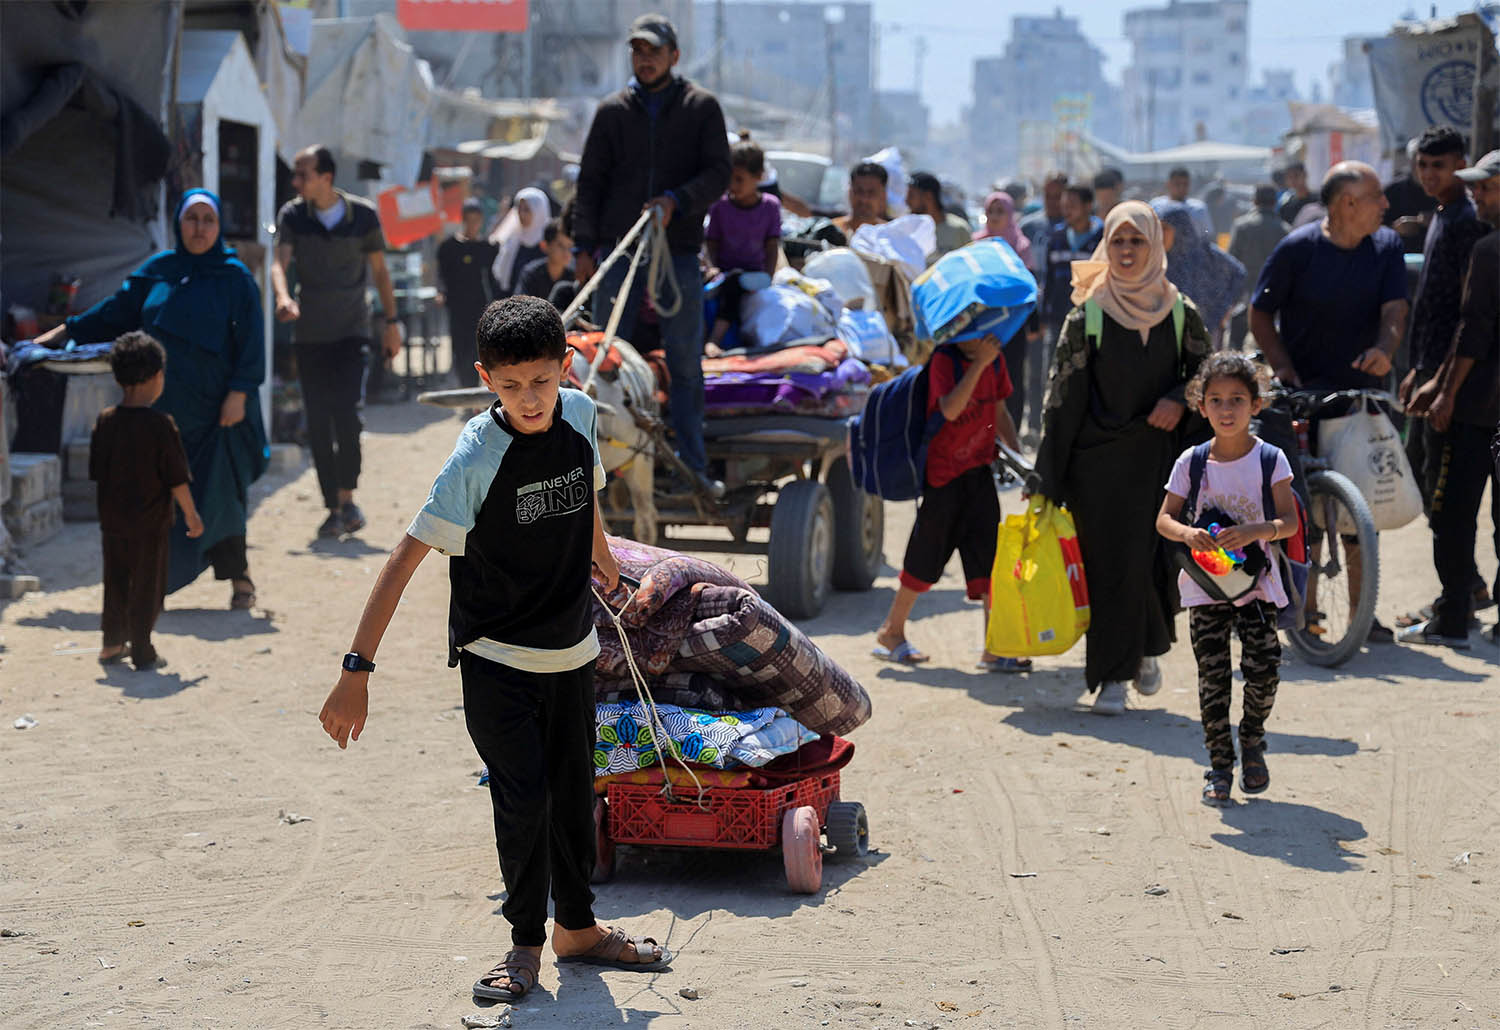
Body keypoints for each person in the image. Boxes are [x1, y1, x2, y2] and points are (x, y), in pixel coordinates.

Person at [317, 296, 671, 1004]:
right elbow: (402, 560)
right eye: (510, 387)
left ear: (564, 368)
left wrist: (603, 560)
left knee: (576, 798)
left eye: (540, 381)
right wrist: (355, 672)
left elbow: (586, 498)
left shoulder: (579, 416)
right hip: (497, 661)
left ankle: (577, 928)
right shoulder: (474, 459)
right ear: (486, 379)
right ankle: (523, 945)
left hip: (571, 652)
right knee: (524, 798)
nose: (529, 399)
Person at [49, 189, 267, 606]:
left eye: (208, 219)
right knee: (159, 492)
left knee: (221, 491)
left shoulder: (235, 277)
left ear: (219, 226)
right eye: (191, 218)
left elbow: (252, 342)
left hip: (216, 409)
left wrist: (239, 393)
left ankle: (240, 578)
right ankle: (154, 583)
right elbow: (114, 312)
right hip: (162, 411)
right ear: (177, 223)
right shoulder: (158, 270)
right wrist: (66, 331)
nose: (199, 228)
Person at [1034, 201, 1210, 715]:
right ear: (1105, 247)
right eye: (1118, 242)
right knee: (1110, 565)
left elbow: (1209, 376)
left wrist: (1179, 398)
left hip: (1160, 464)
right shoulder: (1086, 316)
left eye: (1137, 241)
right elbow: (1060, 400)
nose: (1128, 252)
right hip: (1098, 468)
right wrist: (1049, 474)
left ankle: (1145, 648)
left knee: (1152, 563)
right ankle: (1114, 677)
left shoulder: (1181, 313)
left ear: (1156, 245)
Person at [572, 12, 730, 496]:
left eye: (653, 51)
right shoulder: (612, 111)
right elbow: (590, 183)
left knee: (684, 362)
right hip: (618, 250)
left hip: (676, 250)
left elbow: (718, 173)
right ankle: (595, 464)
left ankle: (693, 463)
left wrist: (677, 200)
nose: (644, 59)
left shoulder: (700, 107)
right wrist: (583, 247)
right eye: (638, 51)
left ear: (674, 56)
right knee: (603, 358)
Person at [1251, 160, 1409, 642]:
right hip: (1302, 397)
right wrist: (1281, 367)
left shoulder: (1386, 247)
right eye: (1377, 196)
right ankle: (1306, 614)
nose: (1386, 205)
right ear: (1347, 204)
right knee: (1306, 512)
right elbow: (1261, 314)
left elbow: (1394, 310)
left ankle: (1365, 615)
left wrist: (1385, 349)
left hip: (1361, 397)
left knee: (1362, 513)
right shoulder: (1298, 249)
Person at [1156, 352, 1296, 804]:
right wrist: (1188, 533)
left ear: (1256, 405)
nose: (1227, 409)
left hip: (1255, 585)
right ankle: (1219, 765)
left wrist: (1259, 530)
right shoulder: (1191, 462)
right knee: (1212, 677)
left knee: (1264, 669)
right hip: (1206, 586)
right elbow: (1164, 520)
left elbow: (1290, 522)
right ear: (1201, 406)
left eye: (1237, 399)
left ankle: (1252, 739)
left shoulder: (1270, 459)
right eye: (1216, 400)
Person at [872, 333, 1024, 671]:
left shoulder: (996, 359)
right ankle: (891, 632)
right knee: (925, 557)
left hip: (979, 470)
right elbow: (951, 410)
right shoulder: (945, 360)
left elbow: (1000, 414)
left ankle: (994, 647)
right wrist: (980, 363)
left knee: (989, 558)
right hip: (944, 475)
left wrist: (1020, 462)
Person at [272, 144, 402, 539]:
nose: (295, 182)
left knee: (346, 414)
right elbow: (280, 263)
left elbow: (380, 273)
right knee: (317, 422)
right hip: (310, 335)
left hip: (352, 331)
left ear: (326, 177)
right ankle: (334, 506)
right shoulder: (294, 215)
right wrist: (283, 296)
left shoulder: (362, 215)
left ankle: (347, 497)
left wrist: (392, 322)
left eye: (302, 174)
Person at [1400, 149, 1500, 647]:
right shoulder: (1467, 232)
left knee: (1452, 514)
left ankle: (1454, 615)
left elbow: (1473, 332)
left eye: (1486, 187)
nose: (1476, 194)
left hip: (1477, 409)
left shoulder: (1488, 250)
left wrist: (1444, 391)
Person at [90, 332, 203, 670]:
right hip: (150, 524)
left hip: (112, 522)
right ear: (157, 377)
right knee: (147, 586)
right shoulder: (160, 425)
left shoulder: (105, 421)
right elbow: (176, 479)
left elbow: (96, 471)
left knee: (115, 580)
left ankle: (111, 643)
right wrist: (192, 516)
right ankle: (142, 649)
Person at [1397, 127, 1490, 512]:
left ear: (1461, 166)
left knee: (1444, 498)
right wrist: (1417, 369)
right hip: (1429, 369)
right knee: (1421, 474)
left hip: (1454, 377)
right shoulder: (1441, 214)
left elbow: (1468, 314)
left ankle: (1462, 573)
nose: (1429, 174)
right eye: (1423, 165)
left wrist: (1440, 382)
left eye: (1439, 166)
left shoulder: (1465, 220)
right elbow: (1432, 305)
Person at [703, 138, 782, 353]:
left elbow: (771, 245)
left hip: (753, 274)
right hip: (723, 273)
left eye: (739, 179)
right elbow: (711, 243)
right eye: (730, 179)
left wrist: (768, 276)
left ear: (758, 177)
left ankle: (715, 339)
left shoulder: (770, 207)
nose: (733, 185)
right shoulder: (720, 206)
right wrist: (712, 268)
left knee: (736, 282)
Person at [973, 190, 1038, 430]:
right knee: (981, 375)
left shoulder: (1021, 246)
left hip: (1014, 323)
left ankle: (1011, 432)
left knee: (1011, 378)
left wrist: (1033, 322)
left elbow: (1030, 286)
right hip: (983, 323)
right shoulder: (977, 244)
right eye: (991, 210)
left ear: (1010, 214)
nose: (995, 216)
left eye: (1001, 211)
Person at [1159, 206, 1246, 349]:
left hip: (1208, 330)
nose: (1161, 235)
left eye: (1165, 229)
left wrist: (1225, 308)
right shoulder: (1160, 261)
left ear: (1180, 229)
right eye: (1159, 229)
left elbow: (1239, 274)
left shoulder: (1206, 253)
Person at [436, 198, 500, 388]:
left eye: (476, 220)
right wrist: (441, 293)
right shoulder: (448, 247)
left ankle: (474, 389)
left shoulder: (487, 248)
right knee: (459, 348)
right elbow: (442, 275)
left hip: (479, 307)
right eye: (469, 220)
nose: (472, 225)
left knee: (477, 350)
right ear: (463, 219)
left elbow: (492, 279)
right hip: (456, 307)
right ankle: (465, 388)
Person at [1226, 185, 1290, 350]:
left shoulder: (1242, 226)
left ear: (1254, 201)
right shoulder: (1285, 229)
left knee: (1237, 345)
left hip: (1246, 292)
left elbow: (1231, 260)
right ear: (1275, 202)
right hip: (1275, 294)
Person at [491, 187, 551, 297]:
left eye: (527, 210)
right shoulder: (512, 241)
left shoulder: (549, 245)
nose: (521, 214)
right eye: (519, 209)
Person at [906, 171, 972, 258]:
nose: (906, 201)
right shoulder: (909, 231)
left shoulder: (959, 230)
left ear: (928, 196)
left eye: (911, 196)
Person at [516, 218, 575, 305]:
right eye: (560, 245)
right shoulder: (531, 274)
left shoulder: (574, 277)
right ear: (544, 246)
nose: (566, 252)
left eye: (570, 246)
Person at [1019, 171, 1066, 277]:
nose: (1052, 201)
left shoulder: (1074, 227)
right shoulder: (1028, 227)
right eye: (1048, 195)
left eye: (1057, 196)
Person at [1151, 166, 1214, 241]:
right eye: (1177, 184)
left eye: (1185, 184)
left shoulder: (1198, 208)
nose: (1181, 188)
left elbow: (1208, 235)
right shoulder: (1156, 206)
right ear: (1168, 184)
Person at [831, 161, 890, 240]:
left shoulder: (890, 238)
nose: (864, 199)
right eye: (859, 191)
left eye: (871, 192)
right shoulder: (830, 231)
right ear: (849, 191)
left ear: (883, 195)